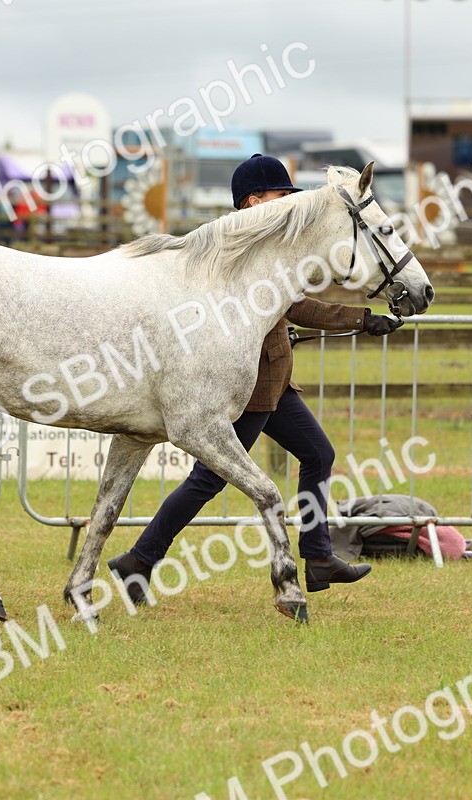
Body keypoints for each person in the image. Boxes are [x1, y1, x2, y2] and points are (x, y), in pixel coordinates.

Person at [106, 154, 404, 602]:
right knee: (210, 478)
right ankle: (140, 560)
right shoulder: (238, 247)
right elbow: (295, 305)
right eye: (279, 196)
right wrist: (360, 319)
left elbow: (290, 303)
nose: (287, 204)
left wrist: (362, 319)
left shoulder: (268, 242)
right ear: (252, 202)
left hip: (275, 380)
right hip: (248, 384)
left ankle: (318, 556)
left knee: (316, 453)